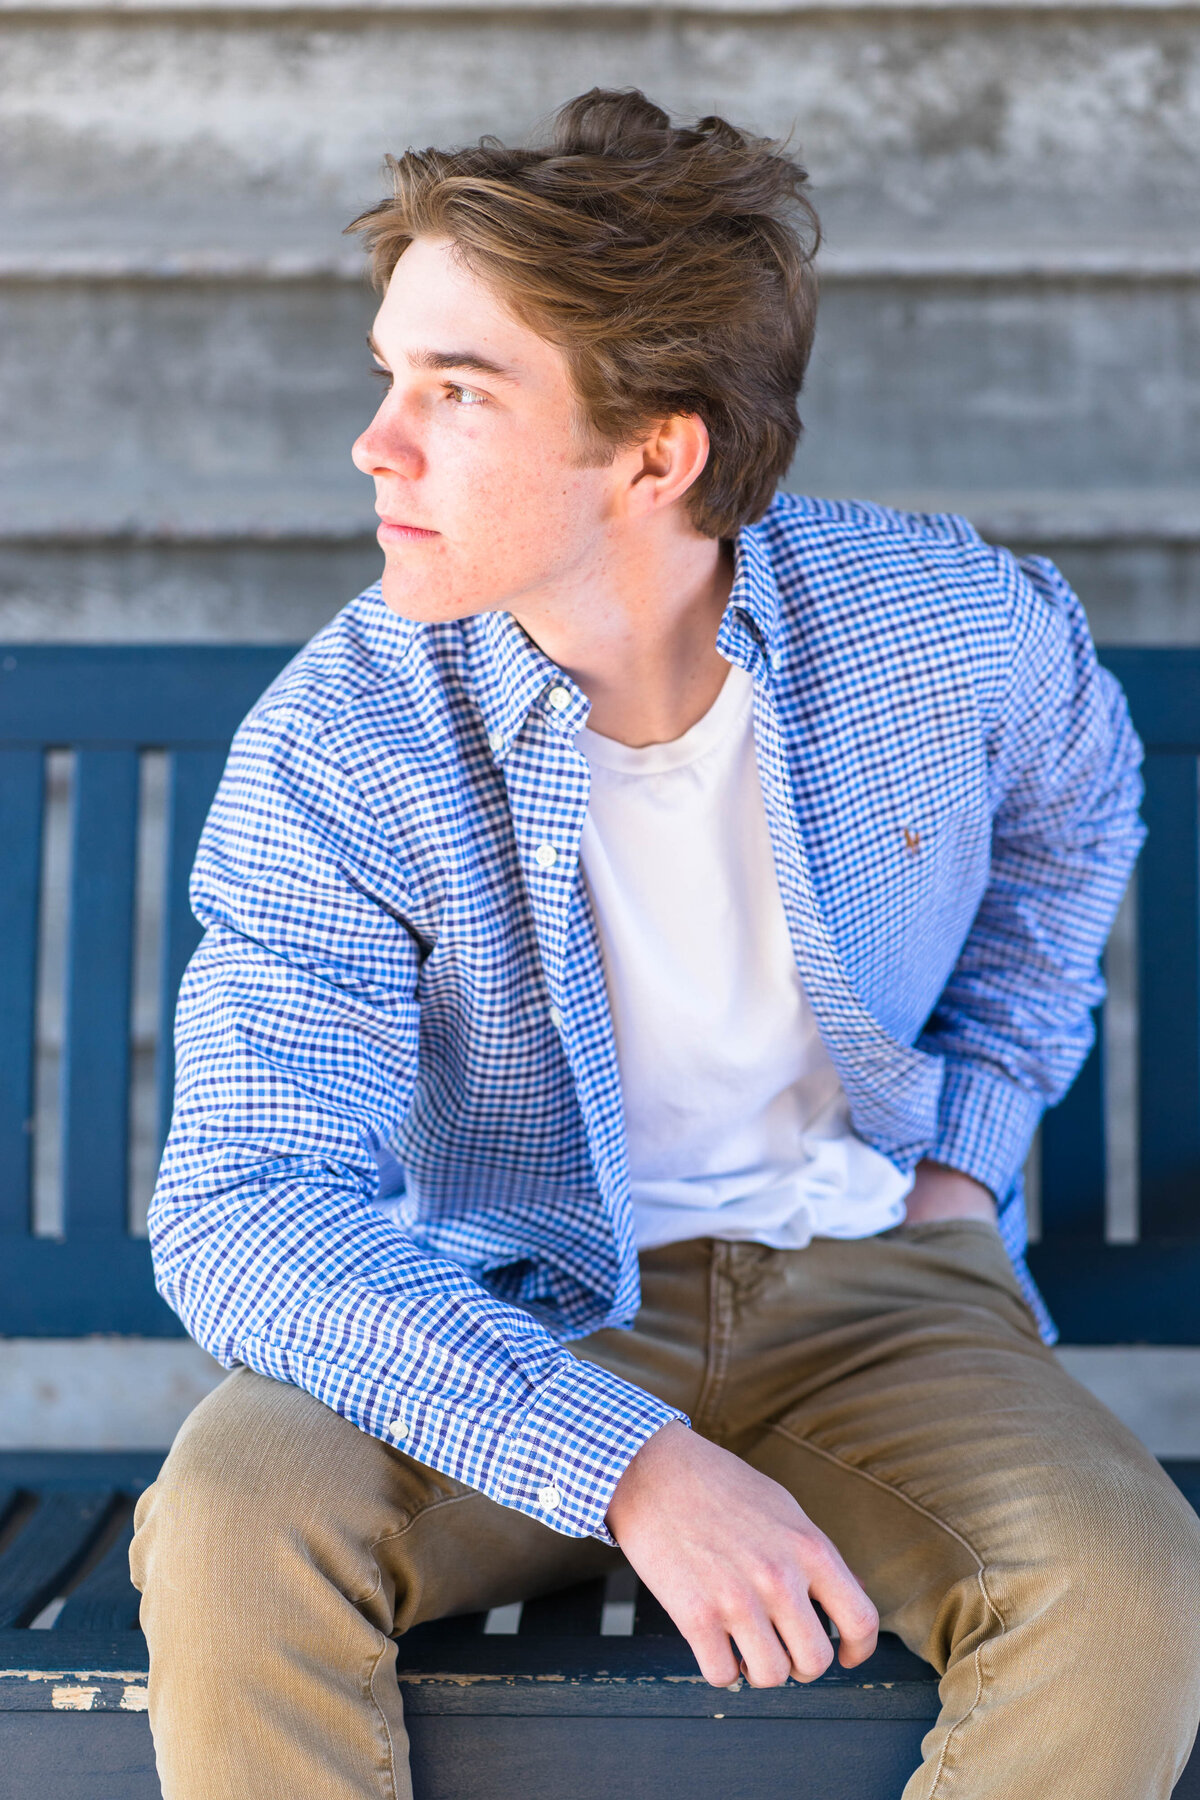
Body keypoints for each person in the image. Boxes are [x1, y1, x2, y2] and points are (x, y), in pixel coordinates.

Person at [130, 87, 1200, 1800]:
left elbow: (1079, 819)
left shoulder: (949, 633)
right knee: (235, 1519)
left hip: (876, 1296)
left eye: (454, 392)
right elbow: (248, 1209)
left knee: (1130, 1592)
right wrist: (632, 1466)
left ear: (657, 451)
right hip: (498, 1297)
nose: (376, 442)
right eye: (389, 374)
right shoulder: (348, 741)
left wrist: (974, 1153)